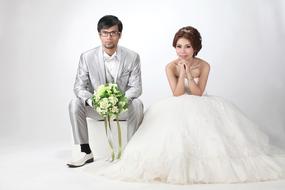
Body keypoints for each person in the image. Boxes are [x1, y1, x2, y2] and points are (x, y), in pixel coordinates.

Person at [95, 26, 285, 184]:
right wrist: (182, 73)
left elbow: (199, 93)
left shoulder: (204, 65)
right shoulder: (170, 66)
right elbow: (177, 94)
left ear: (195, 48)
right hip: (177, 103)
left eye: (187, 46)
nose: (182, 51)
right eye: (178, 46)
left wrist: (187, 72)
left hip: (201, 102)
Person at [67, 15, 144, 168]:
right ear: (99, 35)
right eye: (105, 33)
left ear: (119, 35)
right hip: (98, 109)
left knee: (137, 103)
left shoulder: (132, 57)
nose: (109, 37)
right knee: (74, 103)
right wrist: (94, 101)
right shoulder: (87, 57)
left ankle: (130, 151)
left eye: (113, 33)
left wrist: (120, 101)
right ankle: (85, 151)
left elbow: (136, 87)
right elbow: (79, 87)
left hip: (120, 109)